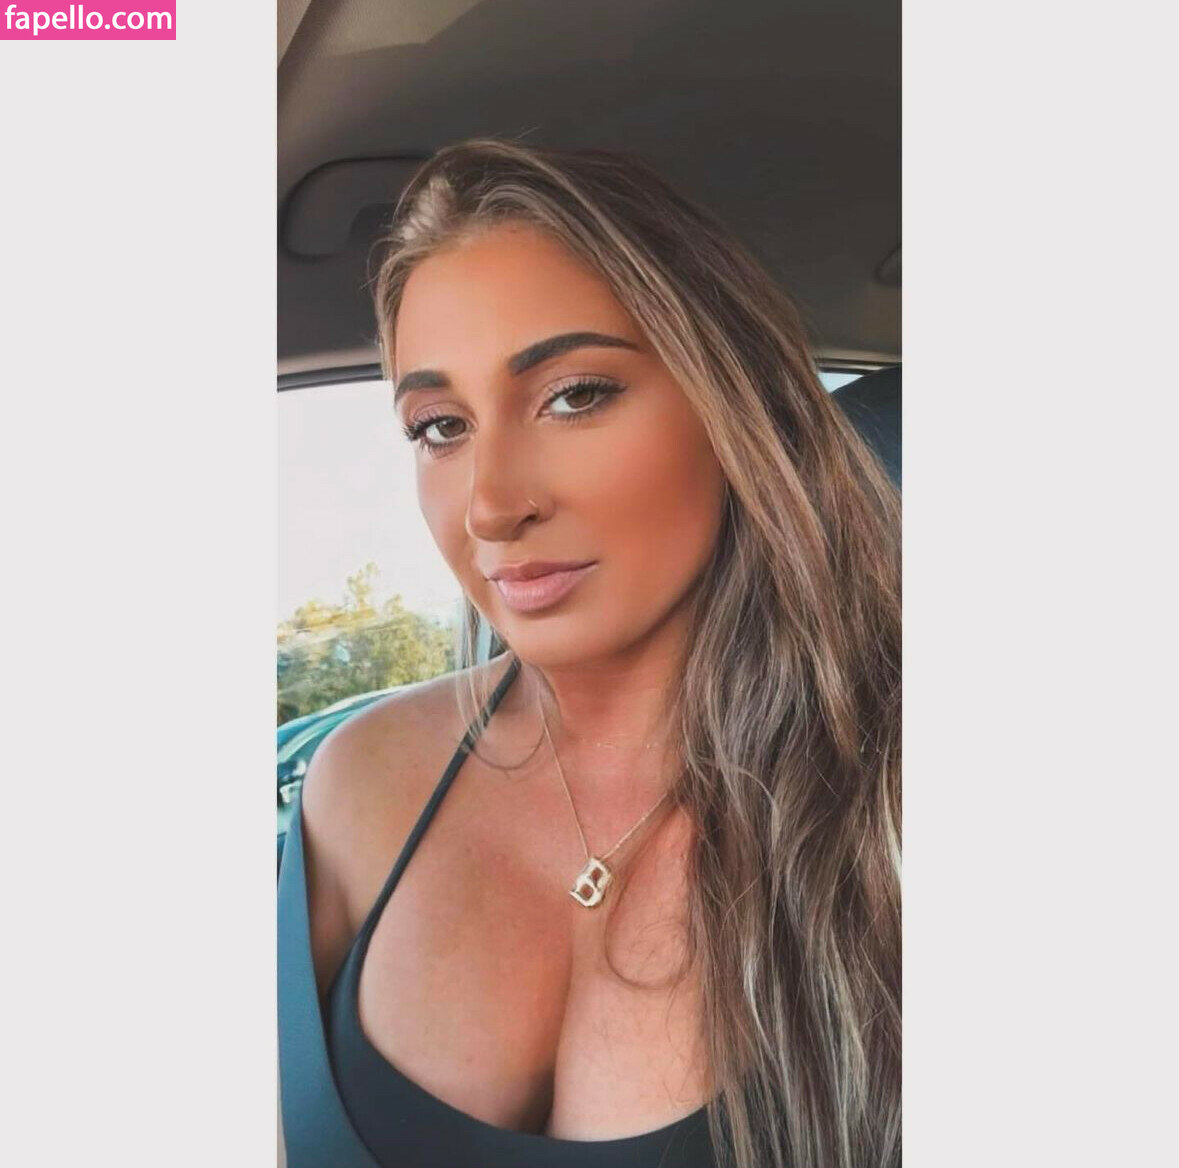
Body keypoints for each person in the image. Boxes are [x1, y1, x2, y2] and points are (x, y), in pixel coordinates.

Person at [277, 137, 901, 1168]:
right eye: (440, 426)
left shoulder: (890, 799)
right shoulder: (360, 783)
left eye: (574, 395)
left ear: (738, 406)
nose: (490, 505)